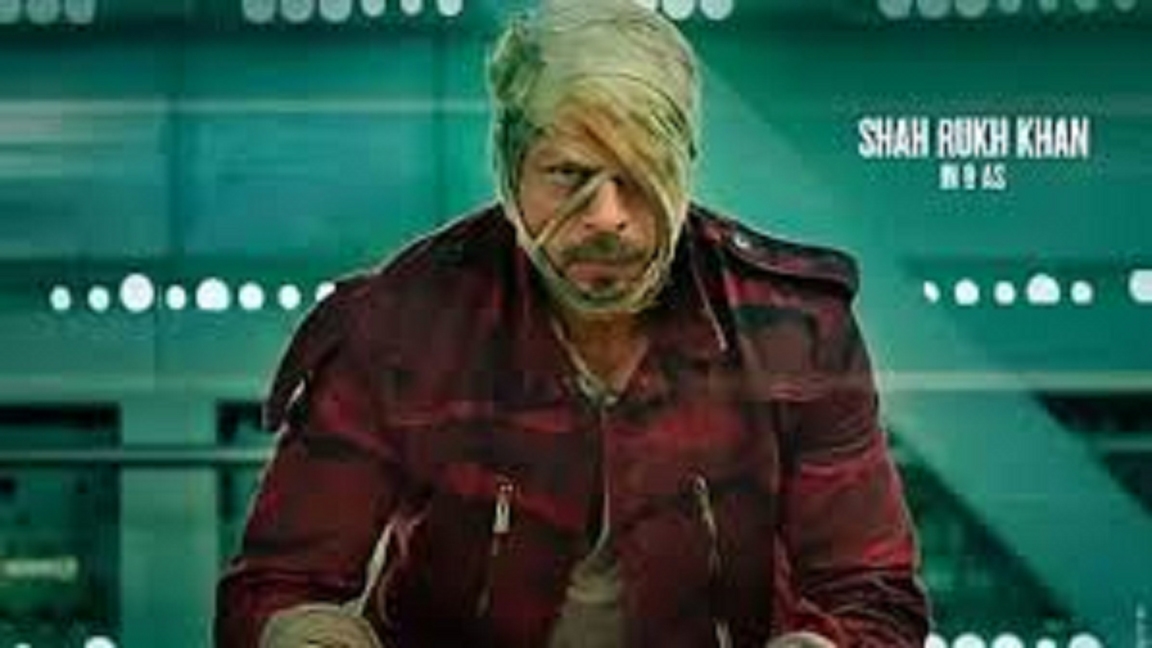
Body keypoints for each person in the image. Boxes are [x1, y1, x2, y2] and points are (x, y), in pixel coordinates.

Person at [214, 0, 931, 646]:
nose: (607, 217)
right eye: (568, 174)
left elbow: (873, 595)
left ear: (684, 170)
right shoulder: (399, 324)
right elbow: (275, 587)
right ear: (509, 169)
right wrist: (306, 636)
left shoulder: (794, 330)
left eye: (639, 176)